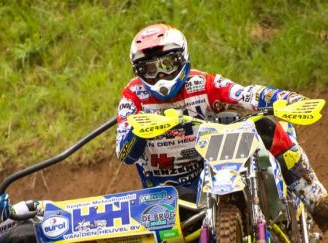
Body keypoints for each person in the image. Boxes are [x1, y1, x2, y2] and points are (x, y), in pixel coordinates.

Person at [116, 23, 328, 231]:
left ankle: (315, 198)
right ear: (138, 71)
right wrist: (137, 131)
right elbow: (124, 154)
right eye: (149, 69)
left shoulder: (203, 84)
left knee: (264, 126)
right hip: (164, 198)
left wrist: (286, 99)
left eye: (167, 64)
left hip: (211, 178)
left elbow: (247, 95)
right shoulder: (133, 97)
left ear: (182, 58)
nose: (160, 75)